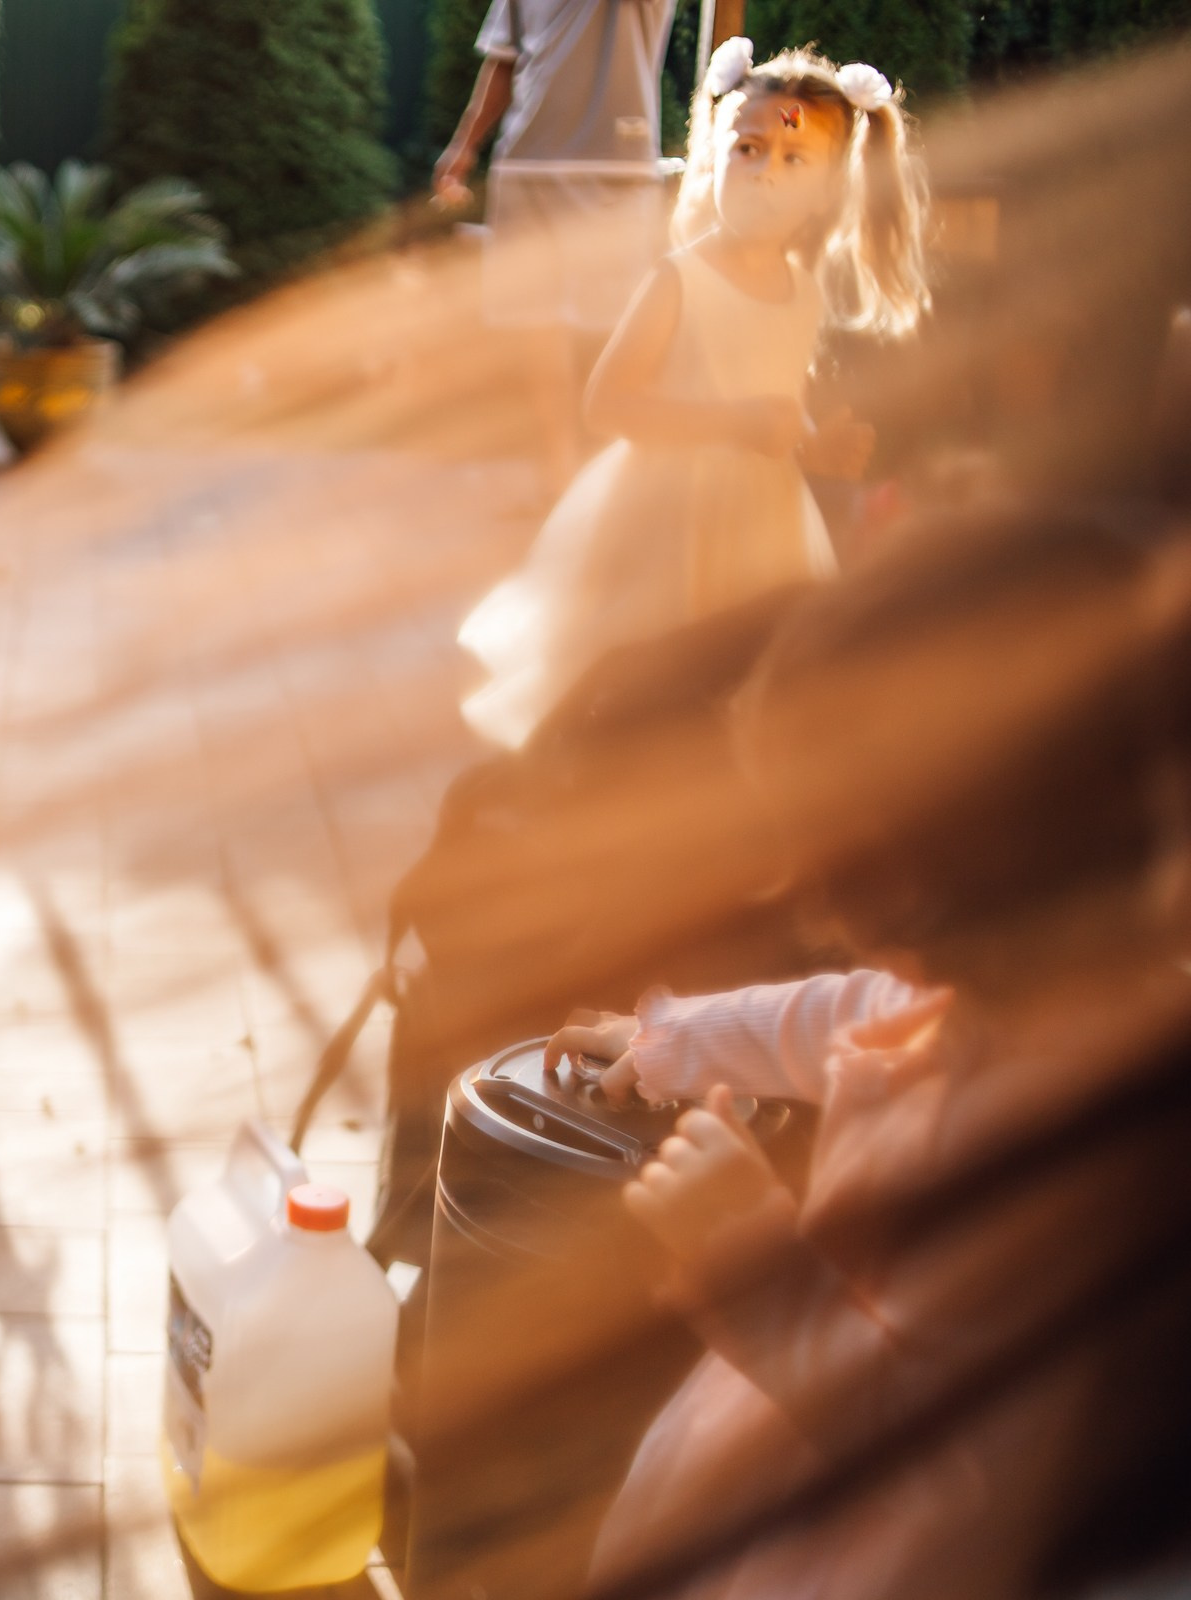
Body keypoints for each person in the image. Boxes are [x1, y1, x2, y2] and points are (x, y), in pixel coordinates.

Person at [544, 515, 1191, 1597]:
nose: (800, 893)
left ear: (996, 852)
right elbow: (841, 1008)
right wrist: (676, 1039)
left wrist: (754, 1261)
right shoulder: (1003, 983)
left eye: (847, 855)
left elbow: (962, 1467)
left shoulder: (1074, 1142)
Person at [457, 40, 929, 750]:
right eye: (749, 148)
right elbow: (608, 403)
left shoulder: (801, 292)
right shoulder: (680, 279)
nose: (764, 173)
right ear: (717, 152)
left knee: (737, 677)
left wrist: (812, 443)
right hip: (666, 517)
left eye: (793, 159)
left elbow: (771, 399)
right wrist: (733, 422)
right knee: (648, 678)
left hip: (761, 522)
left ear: (827, 190)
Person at [432, 0, 677, 489]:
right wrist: (463, 148)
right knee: (537, 327)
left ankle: (614, 479)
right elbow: (503, 60)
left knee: (615, 328)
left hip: (616, 168)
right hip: (526, 163)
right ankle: (562, 475)